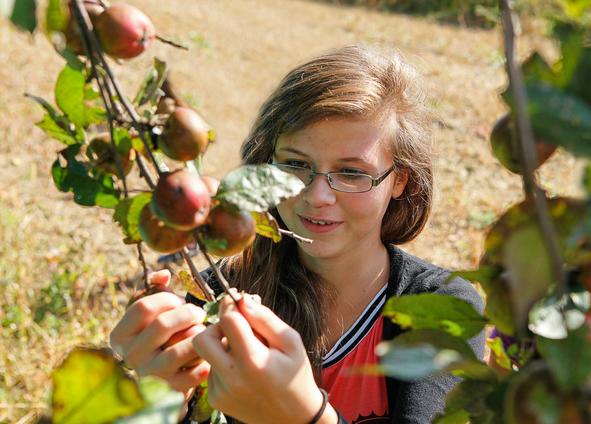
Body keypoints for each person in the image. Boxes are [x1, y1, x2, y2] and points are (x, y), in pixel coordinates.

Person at [109, 45, 485, 424]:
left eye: (351, 172)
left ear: (399, 180)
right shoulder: (216, 300)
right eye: (295, 164)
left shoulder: (442, 310)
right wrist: (155, 406)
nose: (317, 196)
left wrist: (309, 417)